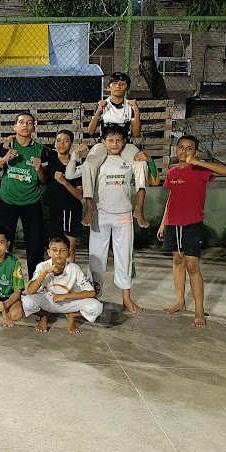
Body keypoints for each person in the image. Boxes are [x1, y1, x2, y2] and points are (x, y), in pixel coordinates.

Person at [157, 135, 226, 327]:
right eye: (181, 147)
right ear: (175, 150)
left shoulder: (200, 170)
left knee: (192, 265)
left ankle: (199, 309)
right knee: (178, 260)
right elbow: (171, 199)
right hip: (173, 224)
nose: (184, 151)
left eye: (189, 148)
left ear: (195, 152)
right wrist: (163, 224)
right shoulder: (172, 172)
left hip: (192, 223)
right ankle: (179, 301)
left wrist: (199, 162)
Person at [87, 125, 146, 314]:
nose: (115, 144)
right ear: (103, 142)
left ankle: (127, 298)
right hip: (101, 214)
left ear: (124, 142)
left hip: (123, 215)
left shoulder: (130, 160)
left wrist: (148, 161)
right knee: (96, 257)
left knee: (124, 257)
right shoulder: (97, 160)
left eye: (119, 140)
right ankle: (93, 295)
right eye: (110, 140)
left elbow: (149, 177)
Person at [79, 72, 149, 229]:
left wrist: (137, 111)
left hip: (125, 144)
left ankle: (139, 208)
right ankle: (90, 207)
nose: (118, 85)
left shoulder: (129, 107)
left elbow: (136, 134)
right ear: (108, 87)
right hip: (103, 144)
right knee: (88, 165)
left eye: (122, 83)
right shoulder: (103, 105)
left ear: (127, 87)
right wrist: (98, 110)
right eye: (115, 83)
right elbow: (91, 131)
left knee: (141, 164)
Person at [0, 112, 50, 275]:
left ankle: (37, 283)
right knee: (4, 242)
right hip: (8, 201)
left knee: (34, 245)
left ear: (33, 128)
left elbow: (44, 180)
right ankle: (2, 277)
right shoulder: (5, 146)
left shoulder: (41, 150)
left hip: (32, 202)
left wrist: (39, 169)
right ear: (15, 127)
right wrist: (5, 159)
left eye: (29, 123)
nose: (25, 125)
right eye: (21, 122)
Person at [20, 238, 103, 335]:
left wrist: (65, 296)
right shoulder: (42, 266)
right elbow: (30, 290)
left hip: (67, 302)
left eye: (63, 250)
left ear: (69, 253)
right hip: (47, 301)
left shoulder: (74, 268)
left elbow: (91, 292)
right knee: (26, 301)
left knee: (96, 307)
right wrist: (46, 272)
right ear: (49, 252)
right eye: (54, 250)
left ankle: (72, 316)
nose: (58, 253)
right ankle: (43, 315)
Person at [45, 130, 88, 263]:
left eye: (66, 141)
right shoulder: (50, 158)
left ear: (71, 144)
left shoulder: (77, 166)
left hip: (71, 209)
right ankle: (54, 278)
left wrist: (64, 182)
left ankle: (68, 280)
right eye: (58, 140)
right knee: (53, 247)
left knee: (69, 248)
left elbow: (80, 195)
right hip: (53, 208)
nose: (61, 144)